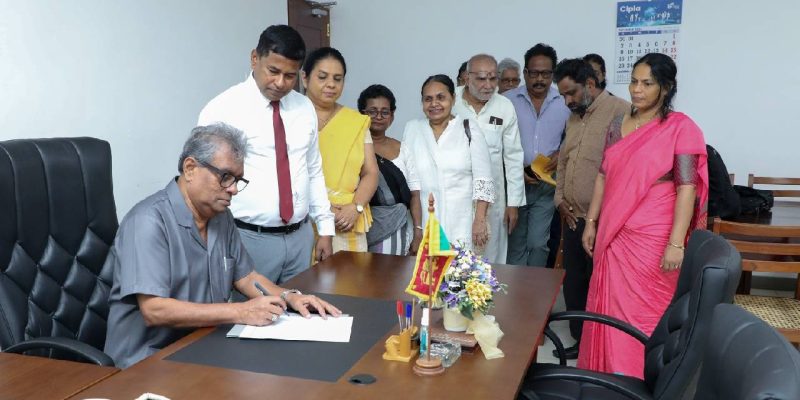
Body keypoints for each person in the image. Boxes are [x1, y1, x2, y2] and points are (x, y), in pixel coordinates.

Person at [104, 124, 341, 368]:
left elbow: (246, 277)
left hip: (201, 346)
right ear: (190, 168)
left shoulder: (221, 217)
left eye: (237, 180)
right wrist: (240, 312)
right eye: (225, 177)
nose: (234, 189)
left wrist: (290, 297)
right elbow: (155, 310)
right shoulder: (147, 222)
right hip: (146, 361)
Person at [578, 53, 708, 378]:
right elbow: (603, 175)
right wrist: (591, 222)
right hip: (614, 232)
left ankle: (640, 378)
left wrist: (676, 244)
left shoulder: (681, 128)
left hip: (654, 235)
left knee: (646, 311)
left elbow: (687, 187)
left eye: (647, 84)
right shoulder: (617, 124)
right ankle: (607, 377)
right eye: (634, 82)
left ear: (666, 87)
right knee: (610, 307)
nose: (637, 90)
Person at [198, 25, 334, 284]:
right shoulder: (222, 109)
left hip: (300, 237)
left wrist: (325, 229)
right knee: (250, 308)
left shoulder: (304, 107)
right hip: (246, 238)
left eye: (290, 76)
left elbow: (313, 169)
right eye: (273, 71)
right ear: (254, 58)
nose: (280, 83)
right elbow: (204, 179)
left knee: (299, 305)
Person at [552, 58, 630, 360]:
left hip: (602, 221)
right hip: (572, 218)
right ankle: (581, 341)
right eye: (563, 95)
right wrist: (559, 200)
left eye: (571, 93)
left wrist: (599, 219)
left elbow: (625, 172)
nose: (567, 101)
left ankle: (600, 347)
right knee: (574, 285)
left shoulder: (622, 112)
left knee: (600, 287)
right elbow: (563, 162)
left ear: (590, 84)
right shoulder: (573, 117)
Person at [400, 74, 495, 251]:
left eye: (441, 97)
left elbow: (483, 180)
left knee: (459, 267)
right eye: (428, 99)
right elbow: (407, 179)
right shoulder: (413, 129)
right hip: (423, 223)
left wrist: (480, 220)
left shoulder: (468, 128)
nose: (434, 104)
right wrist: (416, 229)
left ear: (453, 98)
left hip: (461, 223)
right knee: (424, 267)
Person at [302, 47, 379, 252]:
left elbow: (371, 172)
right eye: (322, 77)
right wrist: (323, 209)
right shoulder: (291, 117)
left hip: (347, 220)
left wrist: (356, 207)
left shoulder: (356, 122)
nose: (331, 84)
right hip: (303, 220)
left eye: (338, 79)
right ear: (304, 78)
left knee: (350, 273)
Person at [452, 54, 525, 264]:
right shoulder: (451, 101)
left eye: (493, 78)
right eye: (482, 78)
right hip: (456, 194)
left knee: (491, 258)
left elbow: (513, 156)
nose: (488, 85)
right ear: (467, 78)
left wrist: (513, 203)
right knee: (456, 256)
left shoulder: (504, 106)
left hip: (494, 199)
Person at [504, 44, 570, 267]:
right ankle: (514, 288)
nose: (540, 79)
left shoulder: (564, 102)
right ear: (525, 73)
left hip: (546, 184)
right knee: (515, 243)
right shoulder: (507, 101)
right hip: (515, 182)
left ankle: (535, 288)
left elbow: (575, 135)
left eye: (546, 74)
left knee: (538, 243)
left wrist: (561, 152)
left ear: (553, 74)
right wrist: (514, 172)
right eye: (534, 73)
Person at [357, 84, 423, 255]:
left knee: (391, 271)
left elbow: (415, 195)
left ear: (392, 116)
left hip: (396, 228)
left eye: (385, 112)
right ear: (362, 114)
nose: (379, 117)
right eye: (372, 111)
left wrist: (418, 232)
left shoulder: (402, 149)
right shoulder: (352, 148)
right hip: (358, 225)